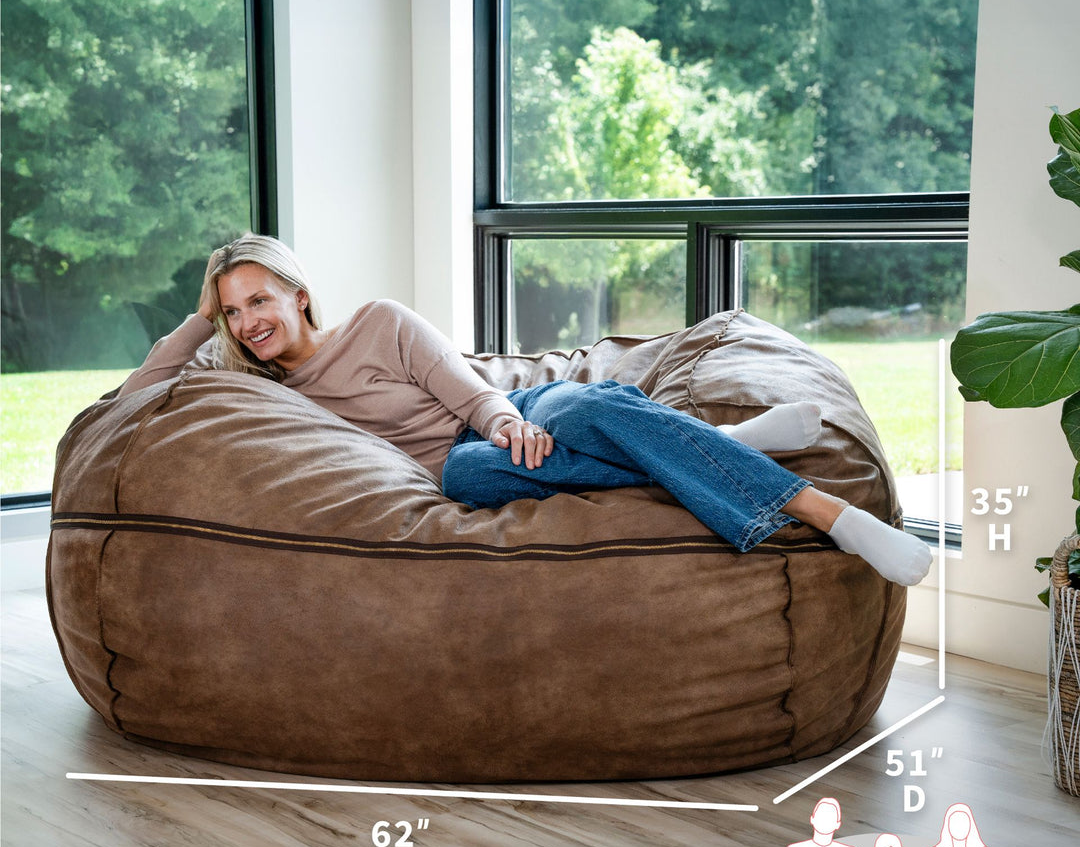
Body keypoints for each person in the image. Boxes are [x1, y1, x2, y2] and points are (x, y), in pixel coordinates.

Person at [119, 233, 932, 585]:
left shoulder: (379, 321)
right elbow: (136, 396)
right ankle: (716, 442)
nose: (249, 321)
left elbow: (467, 389)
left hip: (507, 416)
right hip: (461, 465)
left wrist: (508, 421)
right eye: (233, 313)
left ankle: (825, 510)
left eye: (259, 298)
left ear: (299, 295)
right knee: (471, 481)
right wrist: (200, 313)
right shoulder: (264, 392)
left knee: (578, 412)